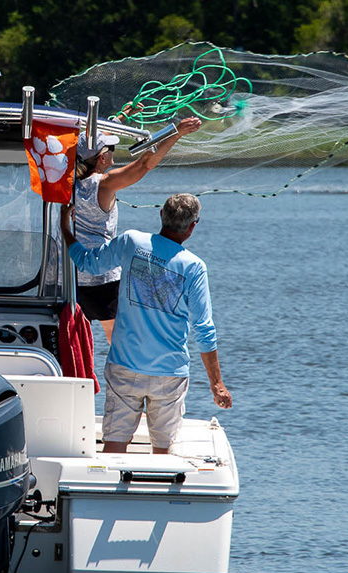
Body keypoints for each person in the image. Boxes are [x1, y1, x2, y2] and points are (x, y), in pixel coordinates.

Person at [61, 193, 232, 454]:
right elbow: (204, 329)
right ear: (192, 227)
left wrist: (65, 229)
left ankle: (109, 492)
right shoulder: (194, 266)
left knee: (114, 446)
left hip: (125, 367)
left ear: (161, 215)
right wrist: (217, 384)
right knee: (163, 451)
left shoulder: (131, 241)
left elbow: (88, 264)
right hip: (170, 373)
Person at [64, 116, 203, 343]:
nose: (114, 151)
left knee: (77, 343)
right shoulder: (104, 183)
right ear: (101, 157)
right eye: (111, 148)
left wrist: (120, 119)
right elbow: (144, 164)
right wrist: (175, 133)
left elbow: (90, 138)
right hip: (102, 275)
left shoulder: (66, 180)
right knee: (118, 342)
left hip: (69, 276)